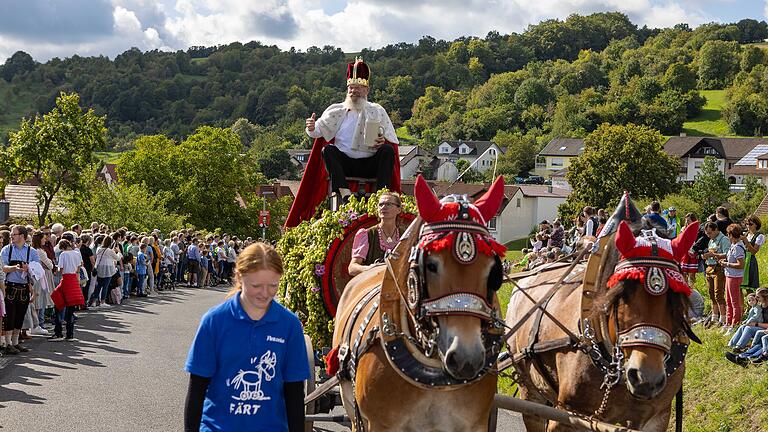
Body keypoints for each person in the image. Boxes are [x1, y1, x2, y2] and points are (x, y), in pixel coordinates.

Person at [184, 243, 309, 432]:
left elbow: (294, 392)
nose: (265, 293)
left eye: (273, 285)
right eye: (256, 285)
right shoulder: (215, 321)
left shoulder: (289, 325)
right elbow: (197, 390)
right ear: (239, 277)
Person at [286, 58, 402, 228]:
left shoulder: (377, 111)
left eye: (358, 88)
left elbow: (391, 140)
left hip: (370, 163)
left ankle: (381, 195)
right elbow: (317, 131)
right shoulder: (336, 110)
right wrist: (310, 127)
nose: (354, 91)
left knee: (387, 151)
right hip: (345, 163)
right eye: (351, 88)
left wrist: (382, 141)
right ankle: (345, 194)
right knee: (328, 151)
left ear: (367, 90)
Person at [2, 226, 40, 354]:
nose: (11, 236)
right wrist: (15, 268)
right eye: (12, 234)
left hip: (24, 287)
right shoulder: (7, 249)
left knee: (20, 316)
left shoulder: (32, 251)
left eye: (14, 234)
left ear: (22, 236)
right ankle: (8, 343)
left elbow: (37, 270)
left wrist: (30, 268)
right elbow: (2, 268)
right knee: (9, 316)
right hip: (10, 287)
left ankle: (15, 342)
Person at [349, 192, 402, 276]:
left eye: (388, 204)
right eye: (381, 205)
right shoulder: (367, 234)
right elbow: (352, 268)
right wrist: (369, 268)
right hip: (373, 283)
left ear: (398, 209)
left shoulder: (405, 235)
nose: (383, 207)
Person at [50, 239, 85, 341]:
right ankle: (70, 334)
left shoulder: (63, 254)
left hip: (66, 279)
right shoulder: (77, 253)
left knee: (57, 304)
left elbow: (61, 269)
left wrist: (54, 268)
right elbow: (78, 268)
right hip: (74, 279)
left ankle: (58, 332)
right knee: (71, 309)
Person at [702, 222, 730, 328]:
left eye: (710, 233)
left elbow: (728, 254)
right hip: (709, 268)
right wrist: (706, 256)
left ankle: (723, 318)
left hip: (719, 269)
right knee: (711, 294)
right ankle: (714, 316)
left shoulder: (724, 240)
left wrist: (714, 255)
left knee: (718, 294)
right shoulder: (711, 240)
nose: (708, 235)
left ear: (716, 230)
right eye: (707, 233)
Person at [740, 215, 764, 291]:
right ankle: (742, 303)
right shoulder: (746, 234)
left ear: (756, 224)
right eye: (747, 224)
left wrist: (746, 241)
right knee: (739, 286)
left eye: (750, 224)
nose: (748, 226)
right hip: (743, 259)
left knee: (750, 286)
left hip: (751, 261)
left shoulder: (759, 236)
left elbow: (754, 251)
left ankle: (752, 302)